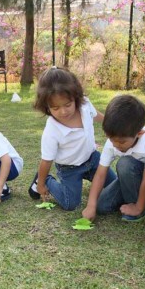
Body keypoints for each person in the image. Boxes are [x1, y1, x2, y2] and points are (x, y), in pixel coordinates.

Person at [28, 67, 116, 211]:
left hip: (92, 159)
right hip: (69, 169)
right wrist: (42, 184)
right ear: (47, 107)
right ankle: (47, 180)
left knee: (114, 186)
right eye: (55, 108)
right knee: (70, 204)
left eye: (68, 105)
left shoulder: (85, 105)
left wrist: (112, 124)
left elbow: (96, 115)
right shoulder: (51, 130)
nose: (63, 111)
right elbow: (46, 160)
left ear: (76, 96)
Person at [81, 95, 145, 222]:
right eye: (112, 140)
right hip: (130, 179)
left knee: (125, 163)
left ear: (139, 133)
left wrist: (139, 206)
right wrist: (91, 205)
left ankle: (141, 206)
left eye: (121, 142)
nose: (116, 145)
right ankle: (129, 197)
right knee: (101, 206)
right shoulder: (112, 142)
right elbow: (100, 174)